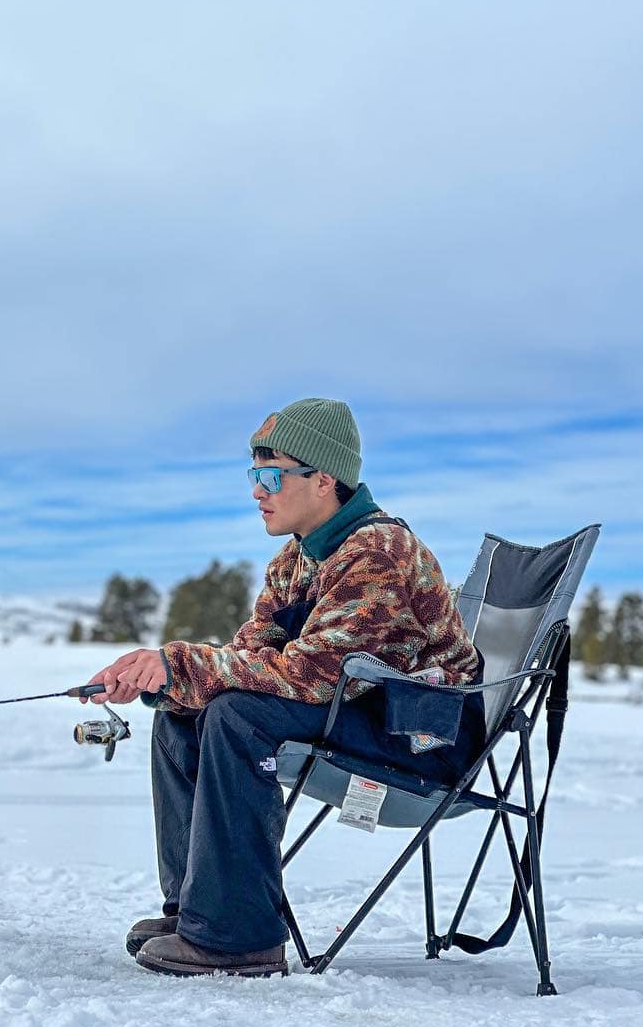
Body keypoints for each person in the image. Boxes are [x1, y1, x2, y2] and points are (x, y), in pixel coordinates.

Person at [84, 397, 481, 977]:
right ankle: (200, 907)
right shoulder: (295, 561)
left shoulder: (380, 552)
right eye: (254, 475)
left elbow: (314, 675)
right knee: (184, 715)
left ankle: (238, 936)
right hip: (361, 714)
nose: (256, 490)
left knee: (239, 716)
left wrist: (181, 664)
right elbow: (248, 657)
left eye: (270, 475)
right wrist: (161, 678)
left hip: (423, 740)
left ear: (323, 480)